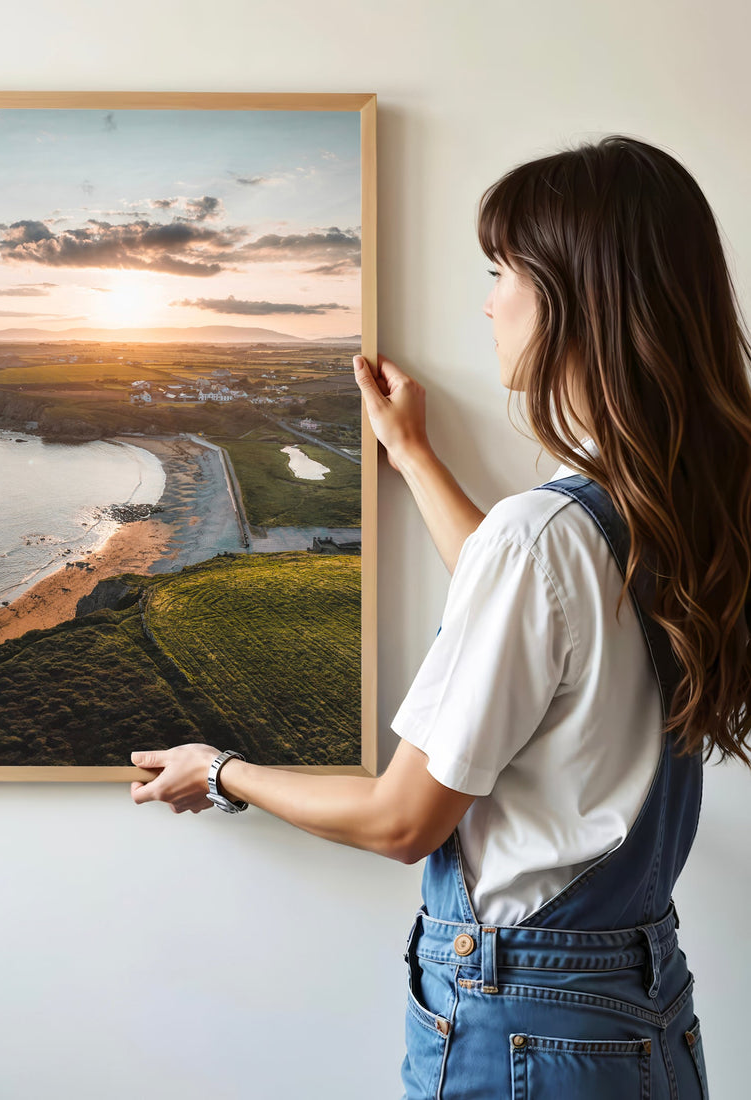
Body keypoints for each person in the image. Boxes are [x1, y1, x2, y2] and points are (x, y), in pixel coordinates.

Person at [128, 134, 751, 1098]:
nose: (488, 299)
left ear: (576, 298)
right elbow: (540, 622)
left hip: (525, 1025)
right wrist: (414, 456)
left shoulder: (546, 534)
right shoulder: (673, 507)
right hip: (637, 1008)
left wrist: (219, 771)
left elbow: (400, 819)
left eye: (502, 271)